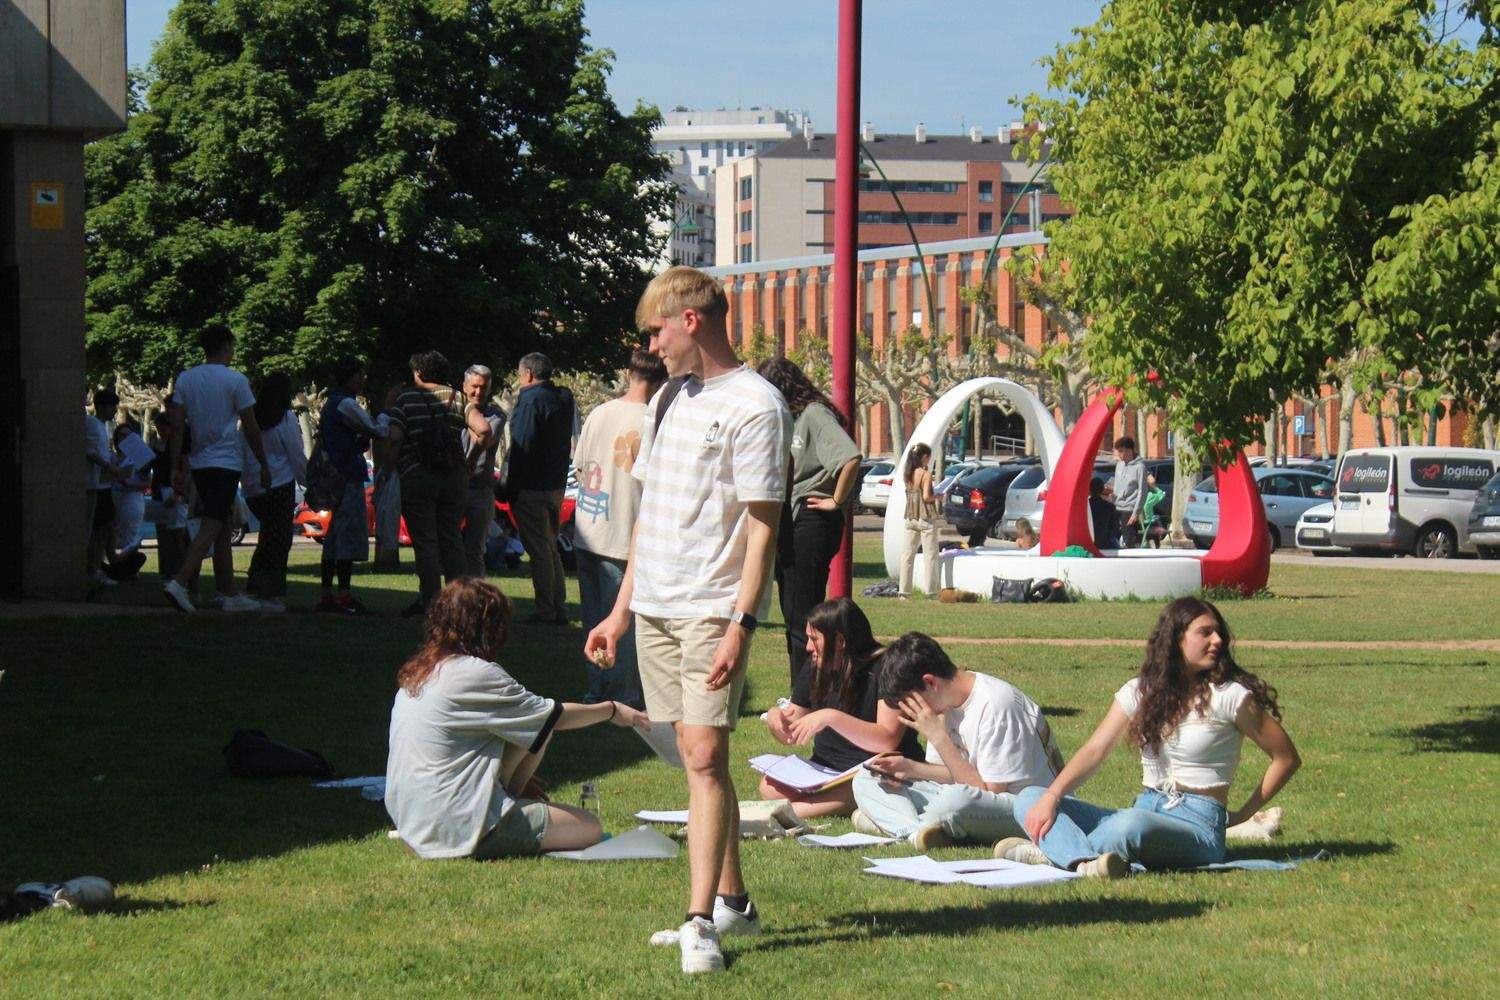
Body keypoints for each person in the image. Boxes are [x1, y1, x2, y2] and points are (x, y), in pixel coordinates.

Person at [584, 265, 791, 976]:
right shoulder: (669, 398)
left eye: (656, 329)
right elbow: (650, 518)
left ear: (692, 320)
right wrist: (618, 611)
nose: (651, 344)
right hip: (655, 609)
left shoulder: (757, 405)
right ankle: (734, 899)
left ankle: (698, 920)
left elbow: (762, 528)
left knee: (703, 756)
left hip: (711, 607)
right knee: (700, 759)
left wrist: (741, 623)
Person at [1000, 597, 1301, 878]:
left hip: (1198, 824)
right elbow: (1095, 750)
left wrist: (1241, 815)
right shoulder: (1140, 691)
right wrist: (1051, 797)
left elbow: (1286, 758)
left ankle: (1056, 853)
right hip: (1146, 807)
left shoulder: (1231, 697)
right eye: (1205, 632)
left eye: (1219, 632)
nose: (1218, 640)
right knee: (1030, 798)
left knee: (1128, 826)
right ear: (1176, 639)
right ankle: (1083, 861)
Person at [385, 578, 649, 860]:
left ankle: (503, 802)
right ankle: (499, 819)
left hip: (413, 821)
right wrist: (612, 710)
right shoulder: (476, 673)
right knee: (589, 827)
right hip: (459, 823)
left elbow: (540, 720)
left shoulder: (421, 673)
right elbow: (555, 716)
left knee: (535, 725)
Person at [851, 633, 1065, 850]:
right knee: (865, 779)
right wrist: (909, 768)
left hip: (1026, 807)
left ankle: (897, 824)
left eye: (911, 703)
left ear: (930, 682)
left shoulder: (996, 705)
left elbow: (987, 794)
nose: (913, 714)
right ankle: (917, 833)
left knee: (954, 801)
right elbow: (950, 774)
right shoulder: (945, 703)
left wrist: (939, 738)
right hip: (968, 795)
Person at [757, 357, 862, 704]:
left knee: (803, 615)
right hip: (792, 520)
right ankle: (807, 690)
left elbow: (850, 458)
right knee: (794, 614)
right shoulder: (790, 419)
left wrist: (836, 500)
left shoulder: (814, 415)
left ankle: (808, 696)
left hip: (812, 520)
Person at [760, 598, 922, 818]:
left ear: (840, 641)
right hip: (826, 770)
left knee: (864, 783)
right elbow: (792, 729)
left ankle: (793, 812)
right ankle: (829, 805)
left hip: (877, 769)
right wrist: (774, 718)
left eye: (813, 639)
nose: (808, 647)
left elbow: (887, 739)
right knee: (769, 785)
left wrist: (830, 717)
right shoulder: (816, 665)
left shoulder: (887, 668)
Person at [572, 346, 667, 707]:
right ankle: (622, 694)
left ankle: (597, 689)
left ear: (629, 374)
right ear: (661, 381)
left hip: (589, 527)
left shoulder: (599, 412)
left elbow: (581, 466)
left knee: (593, 617)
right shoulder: (653, 420)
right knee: (621, 620)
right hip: (626, 532)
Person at [162, 325, 270, 614]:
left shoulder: (186, 379)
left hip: (200, 462)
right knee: (213, 522)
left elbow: (177, 427)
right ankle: (180, 580)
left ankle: (229, 592)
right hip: (225, 461)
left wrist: (175, 465)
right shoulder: (235, 380)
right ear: (225, 345)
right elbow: (251, 427)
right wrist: (263, 462)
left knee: (221, 523)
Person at [386, 350, 494, 617]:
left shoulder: (406, 399)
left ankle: (431, 603)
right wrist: (470, 460)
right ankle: (458, 603)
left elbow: (395, 436)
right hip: (454, 477)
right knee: (452, 539)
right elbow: (483, 430)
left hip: (417, 476)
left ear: (418, 373)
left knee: (425, 542)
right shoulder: (457, 397)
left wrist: (389, 467)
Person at [507, 352, 577, 625]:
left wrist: (511, 486)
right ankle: (558, 606)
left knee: (539, 549)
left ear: (527, 374)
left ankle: (546, 608)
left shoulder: (531, 400)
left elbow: (522, 444)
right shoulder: (563, 398)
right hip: (555, 483)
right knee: (550, 547)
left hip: (532, 484)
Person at [315, 357, 389, 614]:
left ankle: (327, 594)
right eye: (359, 375)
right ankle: (344, 596)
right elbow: (376, 430)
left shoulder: (331, 404)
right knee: (345, 536)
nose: (363, 380)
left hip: (333, 478)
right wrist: (385, 415)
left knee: (333, 538)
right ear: (348, 377)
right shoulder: (346, 404)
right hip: (346, 478)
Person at [241, 373, 306, 609]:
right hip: (279, 484)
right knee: (279, 540)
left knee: (267, 537)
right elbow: (295, 454)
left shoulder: (253, 417)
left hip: (254, 488)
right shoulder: (285, 419)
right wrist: (307, 480)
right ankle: (271, 592)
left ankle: (256, 584)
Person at [460, 364, 506, 579]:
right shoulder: (453, 408)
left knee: (475, 549)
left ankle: (476, 596)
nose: (478, 392)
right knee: (448, 546)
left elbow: (485, 437)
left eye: (483, 387)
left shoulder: (497, 415)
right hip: (454, 486)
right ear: (464, 386)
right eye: (474, 387)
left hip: (480, 489)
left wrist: (469, 418)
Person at [84, 388, 122, 585]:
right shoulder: (91, 423)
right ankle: (92, 568)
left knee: (106, 528)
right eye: (112, 406)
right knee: (97, 530)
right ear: (101, 406)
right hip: (95, 485)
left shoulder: (102, 426)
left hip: (103, 483)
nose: (115, 410)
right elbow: (90, 451)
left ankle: (98, 566)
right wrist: (109, 466)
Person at [146, 410, 190, 580]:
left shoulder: (178, 448)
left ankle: (178, 572)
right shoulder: (154, 444)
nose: (160, 431)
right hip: (158, 491)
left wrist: (178, 494)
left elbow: (185, 469)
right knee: (163, 536)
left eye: (162, 428)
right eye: (158, 428)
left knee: (177, 537)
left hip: (173, 491)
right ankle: (165, 571)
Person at [899, 444, 939, 597]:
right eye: (928, 457)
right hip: (925, 517)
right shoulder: (925, 474)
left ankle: (904, 591)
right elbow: (927, 497)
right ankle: (931, 592)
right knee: (930, 555)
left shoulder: (907, 473)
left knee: (907, 555)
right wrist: (939, 496)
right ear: (924, 457)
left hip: (911, 516)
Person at [1113, 436, 1146, 548]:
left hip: (1129, 510)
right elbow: (1116, 484)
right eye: (1118, 451)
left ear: (1129, 450)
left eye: (1121, 451)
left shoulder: (1139, 467)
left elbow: (1143, 491)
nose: (1119, 454)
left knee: (1129, 541)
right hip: (1116, 507)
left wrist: (1136, 512)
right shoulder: (1119, 465)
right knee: (1115, 540)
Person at [1089, 476, 1120, 548]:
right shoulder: (1109, 507)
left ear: (1089, 489)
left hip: (1089, 540)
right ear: (1102, 489)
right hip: (1105, 542)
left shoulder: (1085, 507)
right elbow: (1115, 528)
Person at [1139, 473, 1168, 548]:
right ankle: (1157, 546)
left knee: (1154, 519)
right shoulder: (1150, 496)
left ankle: (1146, 543)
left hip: (1139, 524)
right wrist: (1154, 487)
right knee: (1157, 520)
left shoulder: (1137, 496)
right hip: (1149, 524)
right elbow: (1161, 494)